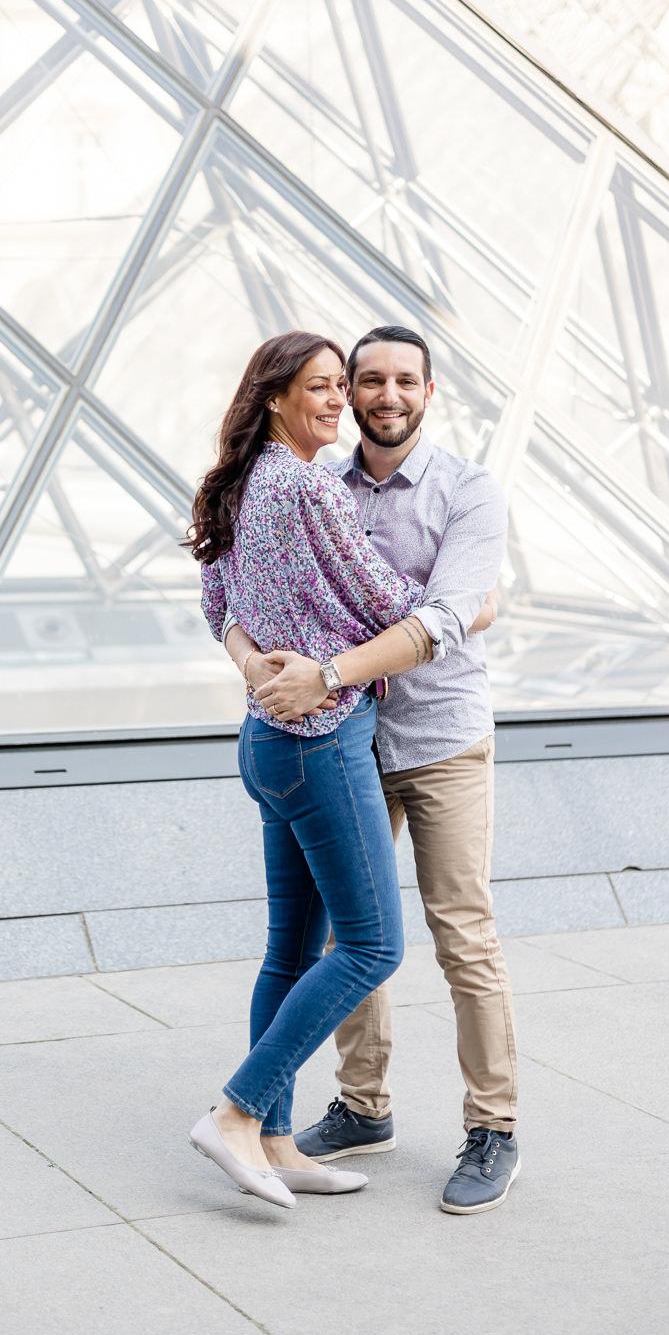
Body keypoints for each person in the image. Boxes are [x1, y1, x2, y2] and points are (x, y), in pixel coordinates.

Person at [223, 325, 519, 1215]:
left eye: (405, 381)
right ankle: (361, 1105)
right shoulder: (314, 479)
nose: (385, 395)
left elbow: (441, 618)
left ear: (431, 393)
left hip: (438, 740)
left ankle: (493, 1126)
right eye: (367, 381)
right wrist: (254, 659)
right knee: (346, 938)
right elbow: (234, 593)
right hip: (342, 740)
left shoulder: (468, 492)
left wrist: (333, 669)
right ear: (347, 392)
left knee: (461, 936)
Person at [186, 329, 450, 1210]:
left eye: (343, 387)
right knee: (373, 945)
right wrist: (471, 606)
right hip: (324, 740)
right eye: (321, 388)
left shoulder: (245, 481)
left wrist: (251, 660)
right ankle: (236, 1111)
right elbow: (391, 603)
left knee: (290, 949)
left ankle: (274, 1142)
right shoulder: (305, 486)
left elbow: (216, 605)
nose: (339, 401)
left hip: (266, 741)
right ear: (274, 397)